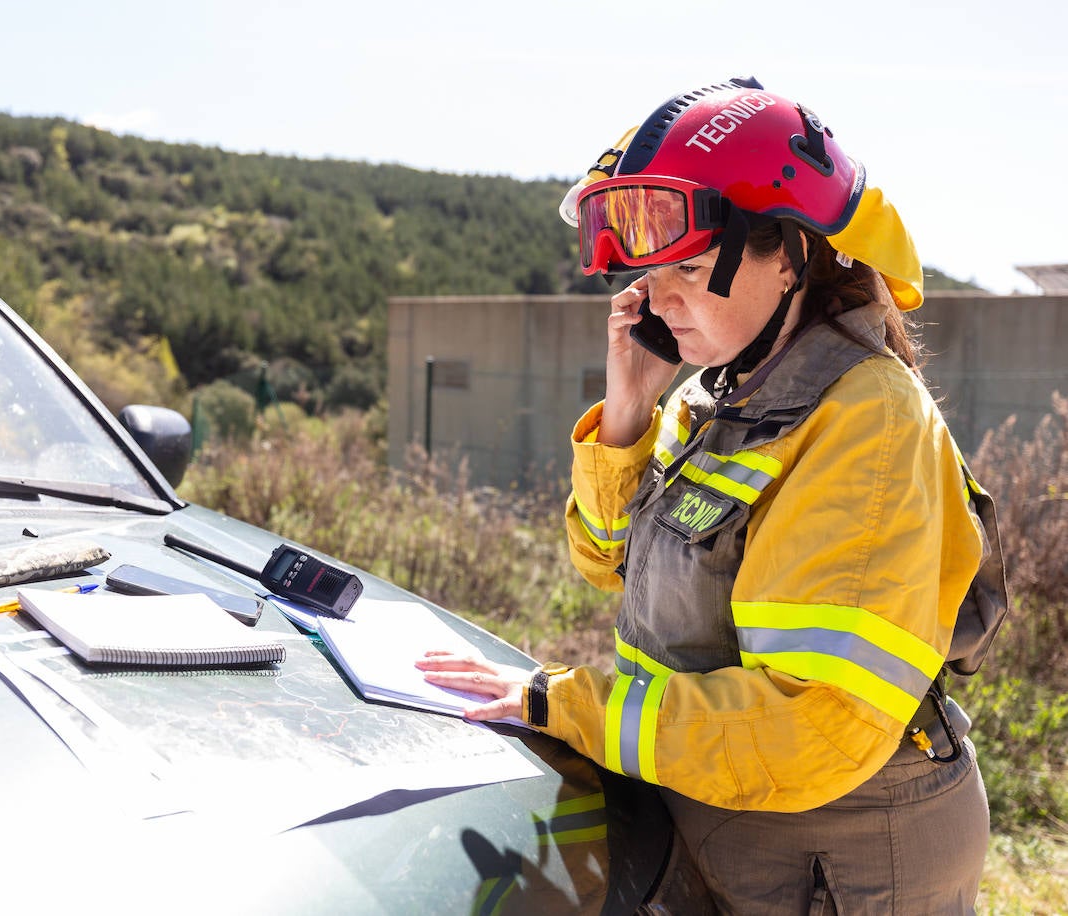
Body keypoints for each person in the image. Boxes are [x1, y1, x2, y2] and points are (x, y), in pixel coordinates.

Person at [416, 77, 1008, 913]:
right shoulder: (718, 393)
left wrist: (566, 706)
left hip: (836, 853)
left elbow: (814, 725)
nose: (657, 300)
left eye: (688, 268)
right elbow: (605, 559)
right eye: (648, 275)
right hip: (712, 803)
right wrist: (628, 411)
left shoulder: (866, 419)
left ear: (790, 253)